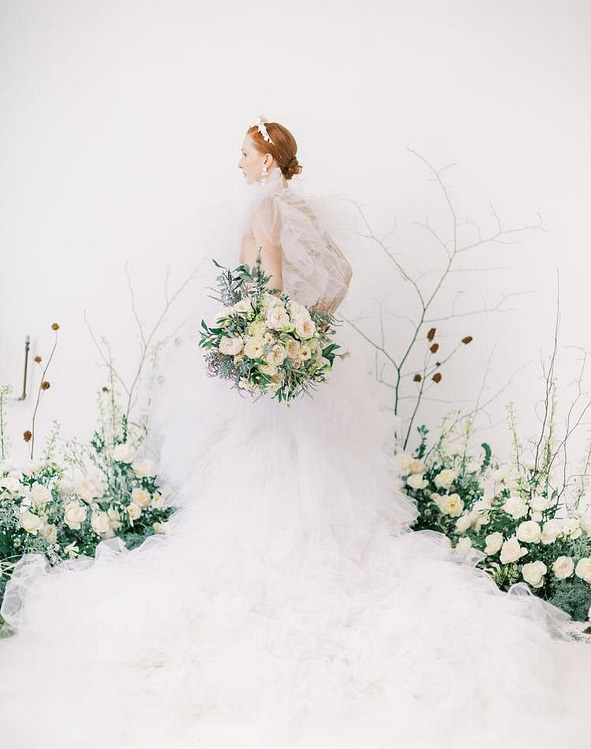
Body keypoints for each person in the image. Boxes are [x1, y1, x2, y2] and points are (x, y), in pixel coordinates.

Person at [0, 117, 590, 749]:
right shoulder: (303, 207)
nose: (240, 165)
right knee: (308, 470)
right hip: (297, 364)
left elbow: (268, 287)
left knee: (254, 467)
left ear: (267, 159)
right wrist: (308, 332)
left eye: (245, 155)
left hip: (265, 370)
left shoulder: (263, 210)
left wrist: (270, 339)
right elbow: (343, 277)